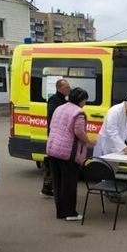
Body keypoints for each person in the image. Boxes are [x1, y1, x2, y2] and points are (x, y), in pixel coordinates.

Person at [46, 87, 93, 221]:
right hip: (67, 153)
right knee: (69, 184)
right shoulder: (78, 113)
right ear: (80, 100)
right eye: (85, 100)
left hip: (53, 149)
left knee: (58, 183)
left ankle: (60, 211)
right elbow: (78, 131)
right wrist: (89, 141)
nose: (85, 103)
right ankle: (69, 212)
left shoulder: (60, 108)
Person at [41, 79, 70, 197]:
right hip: (56, 135)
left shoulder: (63, 100)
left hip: (59, 135)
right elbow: (54, 116)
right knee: (54, 163)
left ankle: (49, 187)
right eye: (66, 87)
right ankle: (48, 187)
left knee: (57, 163)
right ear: (59, 88)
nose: (69, 89)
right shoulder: (54, 100)